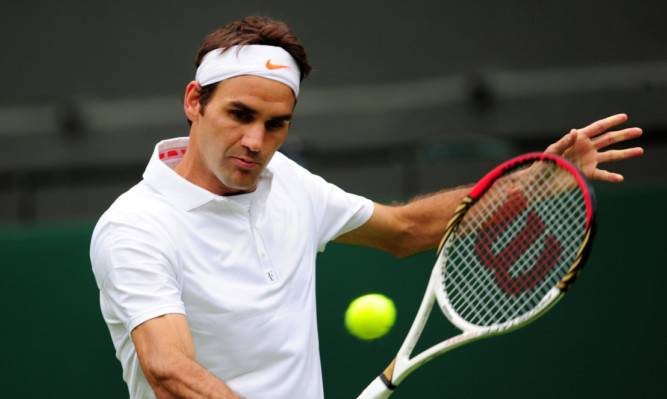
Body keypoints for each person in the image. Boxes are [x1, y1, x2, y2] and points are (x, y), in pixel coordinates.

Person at [90, 15, 643, 399]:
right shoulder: (136, 226)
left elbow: (405, 229)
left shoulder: (289, 185)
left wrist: (536, 181)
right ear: (195, 101)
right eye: (239, 114)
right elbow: (169, 371)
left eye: (276, 124)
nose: (257, 142)